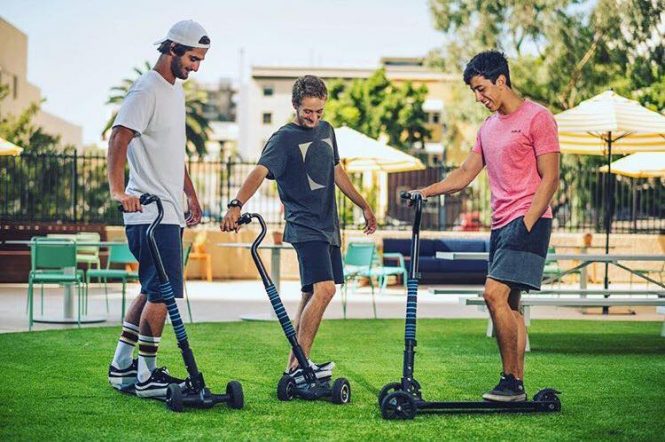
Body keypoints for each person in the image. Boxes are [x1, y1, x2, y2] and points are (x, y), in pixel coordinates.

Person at [415, 51, 560, 402]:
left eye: (481, 89)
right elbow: (465, 173)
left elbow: (551, 177)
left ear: (501, 80)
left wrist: (526, 222)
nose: (479, 98)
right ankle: (516, 384)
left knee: (492, 295)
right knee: (509, 305)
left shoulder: (538, 118)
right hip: (500, 224)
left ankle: (510, 381)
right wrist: (425, 192)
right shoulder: (488, 128)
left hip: (528, 221)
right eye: (474, 92)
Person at [221, 75, 377, 384]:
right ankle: (303, 369)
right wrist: (236, 204)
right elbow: (259, 171)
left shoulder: (327, 131)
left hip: (328, 225)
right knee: (325, 290)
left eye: (319, 111)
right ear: (295, 105)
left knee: (310, 294)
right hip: (305, 224)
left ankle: (293, 368)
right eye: (308, 111)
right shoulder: (283, 139)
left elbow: (337, 172)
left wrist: (364, 204)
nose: (314, 118)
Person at [106, 20, 210, 399]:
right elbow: (118, 136)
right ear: (172, 49)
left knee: (151, 289)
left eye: (200, 61)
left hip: (168, 211)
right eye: (192, 59)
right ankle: (148, 376)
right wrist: (118, 190)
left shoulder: (174, 92)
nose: (195, 67)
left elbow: (172, 154)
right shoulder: (146, 89)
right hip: (151, 213)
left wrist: (190, 195)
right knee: (163, 295)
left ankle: (122, 367)